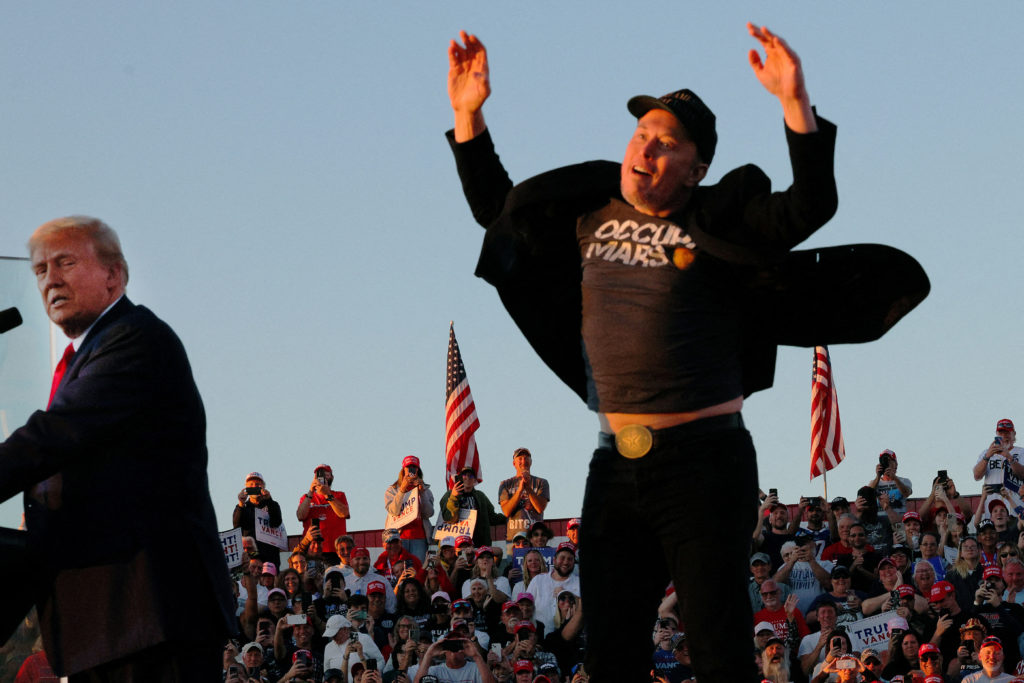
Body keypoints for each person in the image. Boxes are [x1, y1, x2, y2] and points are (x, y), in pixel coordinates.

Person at [445, 21, 924, 680]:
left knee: (719, 644)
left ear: (696, 167)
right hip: (617, 464)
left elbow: (810, 205)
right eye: (641, 134)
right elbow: (499, 211)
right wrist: (468, 116)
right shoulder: (590, 212)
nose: (646, 147)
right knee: (611, 650)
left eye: (666, 142)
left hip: (705, 461)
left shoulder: (715, 216)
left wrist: (794, 101)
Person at [0, 217, 235, 680]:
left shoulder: (135, 339)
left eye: (66, 262)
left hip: (149, 616)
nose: (51, 279)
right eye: (41, 269)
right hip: (107, 625)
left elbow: (53, 436)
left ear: (115, 275)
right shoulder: (84, 358)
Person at [440, 465, 507, 548]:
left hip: (478, 544)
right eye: (464, 475)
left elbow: (492, 517)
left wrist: (509, 519)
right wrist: (454, 497)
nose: (467, 478)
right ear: (460, 477)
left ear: (475, 480)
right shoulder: (449, 495)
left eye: (471, 476)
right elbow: (449, 518)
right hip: (456, 545)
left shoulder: (481, 496)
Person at [297, 464, 351, 563]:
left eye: (326, 474)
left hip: (335, 551)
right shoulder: (306, 497)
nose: (322, 478)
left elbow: (344, 513)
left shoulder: (339, 495)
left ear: (332, 477)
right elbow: (300, 516)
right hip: (312, 550)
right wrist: (310, 492)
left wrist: (327, 494)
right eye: (319, 475)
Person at [385, 456, 436, 561]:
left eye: (414, 467)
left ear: (418, 470)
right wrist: (402, 489)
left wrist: (422, 493)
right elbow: (394, 511)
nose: (411, 470)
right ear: (403, 469)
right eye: (408, 467)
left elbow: (429, 513)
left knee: (417, 571)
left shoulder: (425, 490)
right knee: (399, 570)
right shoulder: (392, 490)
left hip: (420, 538)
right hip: (399, 538)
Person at [497, 448, 551, 544]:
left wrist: (528, 488)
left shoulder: (542, 482)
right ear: (514, 463)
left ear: (531, 462)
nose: (523, 461)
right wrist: (520, 490)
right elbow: (506, 511)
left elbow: (540, 508)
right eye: (520, 458)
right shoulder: (505, 484)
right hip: (513, 539)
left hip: (535, 539)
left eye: (526, 458)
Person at [235, 472, 285, 570]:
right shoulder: (243, 508)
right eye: (251, 485)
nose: (254, 487)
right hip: (251, 559)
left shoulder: (272, 504)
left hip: (270, 559)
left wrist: (269, 500)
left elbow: (276, 522)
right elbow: (236, 526)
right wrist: (241, 503)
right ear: (246, 488)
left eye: (257, 485)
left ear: (263, 487)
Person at [870, 449, 913, 515]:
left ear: (896, 464)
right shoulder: (874, 482)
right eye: (884, 461)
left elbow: (906, 493)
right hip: (880, 521)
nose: (887, 463)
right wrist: (878, 476)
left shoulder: (904, 481)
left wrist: (894, 478)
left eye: (890, 461)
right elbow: (868, 495)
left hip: (899, 520)